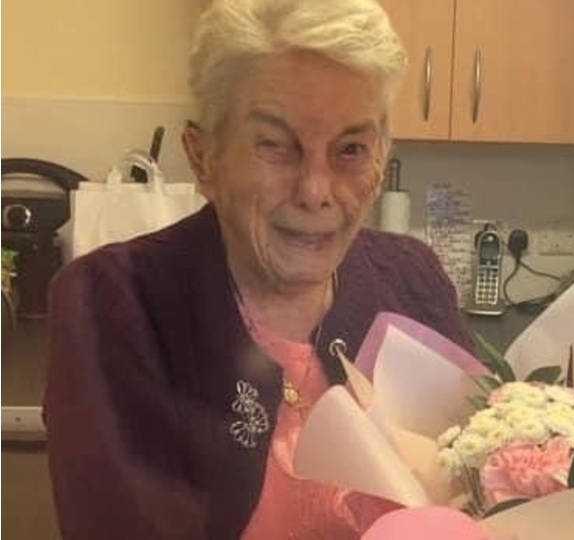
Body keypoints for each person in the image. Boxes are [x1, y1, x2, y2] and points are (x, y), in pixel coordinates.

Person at [42, 1, 474, 538]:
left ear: (383, 157)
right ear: (204, 157)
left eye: (351, 149)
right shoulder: (115, 305)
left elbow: (480, 487)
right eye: (275, 145)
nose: (315, 191)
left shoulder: (414, 280)